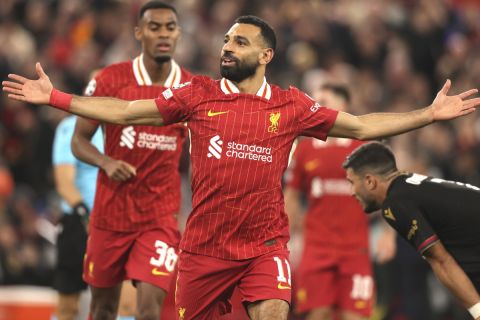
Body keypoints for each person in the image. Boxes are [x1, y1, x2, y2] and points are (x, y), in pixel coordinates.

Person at [3, 15, 480, 320]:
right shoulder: (197, 95)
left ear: (265, 55)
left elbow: (359, 125)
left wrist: (428, 114)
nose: (227, 48)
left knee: (273, 312)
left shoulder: (292, 105)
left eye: (240, 42)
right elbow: (127, 112)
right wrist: (58, 99)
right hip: (204, 251)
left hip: (263, 246)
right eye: (226, 40)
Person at [72, 1, 191, 320]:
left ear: (179, 33)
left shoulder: (191, 89)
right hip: (110, 215)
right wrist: (106, 162)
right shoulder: (111, 80)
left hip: (159, 219)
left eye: (170, 27)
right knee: (102, 310)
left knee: (150, 310)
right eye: (154, 27)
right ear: (139, 33)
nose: (163, 34)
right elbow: (79, 140)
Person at [285, 83, 396, 320]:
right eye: (315, 102)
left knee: (354, 315)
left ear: (343, 106)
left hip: (355, 249)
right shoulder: (304, 150)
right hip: (317, 247)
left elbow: (387, 192)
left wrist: (388, 234)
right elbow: (292, 194)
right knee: (318, 314)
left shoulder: (364, 149)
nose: (317, 107)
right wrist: (284, 235)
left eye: (324, 100)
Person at [342, 141, 480, 320]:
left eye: (352, 182)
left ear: (370, 181)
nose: (351, 191)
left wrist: (477, 312)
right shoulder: (408, 187)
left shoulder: (396, 203)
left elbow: (441, 260)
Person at [52, 115, 103, 320]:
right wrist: (86, 217)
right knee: (68, 306)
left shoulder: (124, 126)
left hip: (116, 224)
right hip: (80, 225)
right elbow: (64, 183)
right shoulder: (71, 126)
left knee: (125, 302)